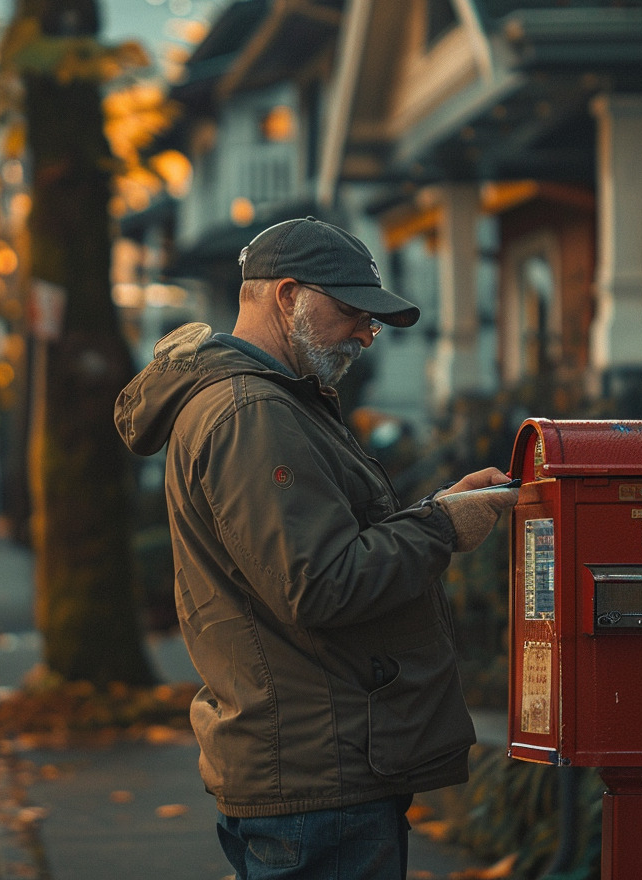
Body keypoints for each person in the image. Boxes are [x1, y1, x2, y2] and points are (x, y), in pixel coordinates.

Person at [113, 216, 518, 880]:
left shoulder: (271, 402)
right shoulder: (254, 413)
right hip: (317, 776)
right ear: (288, 296)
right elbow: (320, 583)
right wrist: (440, 528)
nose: (365, 333)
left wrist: (435, 511)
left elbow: (313, 553)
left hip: (308, 765)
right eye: (352, 312)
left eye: (372, 319)